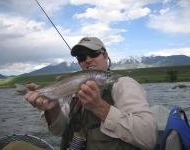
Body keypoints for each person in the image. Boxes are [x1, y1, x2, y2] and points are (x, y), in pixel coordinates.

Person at [25, 37, 158, 150]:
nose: (88, 59)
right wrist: (53, 109)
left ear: (105, 56)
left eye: (93, 53)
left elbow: (149, 137)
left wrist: (99, 107)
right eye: (82, 57)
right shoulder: (76, 91)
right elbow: (59, 131)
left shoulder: (124, 84)